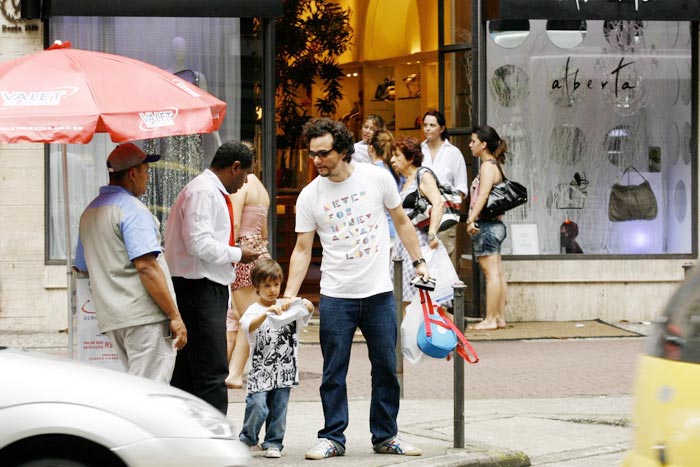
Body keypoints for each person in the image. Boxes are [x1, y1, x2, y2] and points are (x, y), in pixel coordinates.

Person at [283, 117, 429, 460]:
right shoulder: (309, 196)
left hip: (378, 293)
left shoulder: (377, 178)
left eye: (324, 153)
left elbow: (402, 222)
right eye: (312, 154)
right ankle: (333, 436)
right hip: (336, 295)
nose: (317, 160)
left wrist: (419, 261)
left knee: (386, 368)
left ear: (344, 149)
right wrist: (290, 294)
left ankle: (386, 435)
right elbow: (302, 249)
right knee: (333, 370)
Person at [75, 143, 187, 384]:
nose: (148, 178)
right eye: (146, 171)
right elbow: (147, 266)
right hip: (144, 315)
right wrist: (174, 315)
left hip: (115, 318)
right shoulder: (133, 210)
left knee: (138, 386)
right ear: (132, 173)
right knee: (151, 391)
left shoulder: (89, 213)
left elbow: (83, 266)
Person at [164, 140, 260, 414]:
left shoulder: (208, 191)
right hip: (198, 289)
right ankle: (216, 438)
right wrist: (239, 253)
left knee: (190, 369)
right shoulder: (204, 192)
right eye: (245, 176)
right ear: (235, 167)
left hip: (202, 287)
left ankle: (189, 430)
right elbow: (198, 243)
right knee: (211, 370)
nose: (244, 184)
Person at [238, 259, 314, 459]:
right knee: (257, 405)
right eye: (267, 285)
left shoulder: (287, 306)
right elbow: (248, 327)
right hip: (261, 370)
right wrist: (266, 314)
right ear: (257, 287)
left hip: (285, 370)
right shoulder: (253, 310)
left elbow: (308, 309)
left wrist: (301, 302)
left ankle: (273, 442)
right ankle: (247, 439)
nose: (272, 290)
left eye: (276, 284)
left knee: (279, 409)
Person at [226, 145, 272, 390]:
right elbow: (263, 231)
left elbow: (232, 224)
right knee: (237, 318)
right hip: (260, 252)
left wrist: (227, 255)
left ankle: (235, 373)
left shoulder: (243, 185)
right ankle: (229, 371)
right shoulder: (262, 189)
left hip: (243, 254)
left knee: (246, 318)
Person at [390, 136, 448, 310]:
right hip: (404, 244)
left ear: (410, 158)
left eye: (397, 155)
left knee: (421, 296)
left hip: (420, 242)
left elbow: (438, 203)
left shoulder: (423, 175)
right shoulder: (405, 181)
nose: (392, 160)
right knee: (408, 297)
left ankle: (449, 327)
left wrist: (432, 233)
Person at [465, 125, 509, 331]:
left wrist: (471, 218)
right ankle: (499, 317)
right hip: (496, 225)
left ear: (483, 144)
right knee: (497, 273)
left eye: (473, 141)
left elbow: (482, 196)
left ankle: (491, 319)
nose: (470, 145)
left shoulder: (486, 166)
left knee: (491, 274)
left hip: (487, 225)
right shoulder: (496, 165)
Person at [420, 110, 468, 264]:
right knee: (423, 262)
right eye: (425, 125)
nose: (427, 128)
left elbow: (461, 188)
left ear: (441, 128)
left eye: (432, 125)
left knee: (443, 263)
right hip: (421, 215)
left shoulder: (453, 153)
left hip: (445, 214)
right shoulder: (418, 151)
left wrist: (449, 209)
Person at [368, 129, 401, 245]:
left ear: (371, 148)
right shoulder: (398, 171)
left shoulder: (370, 174)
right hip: (398, 229)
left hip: (379, 231)